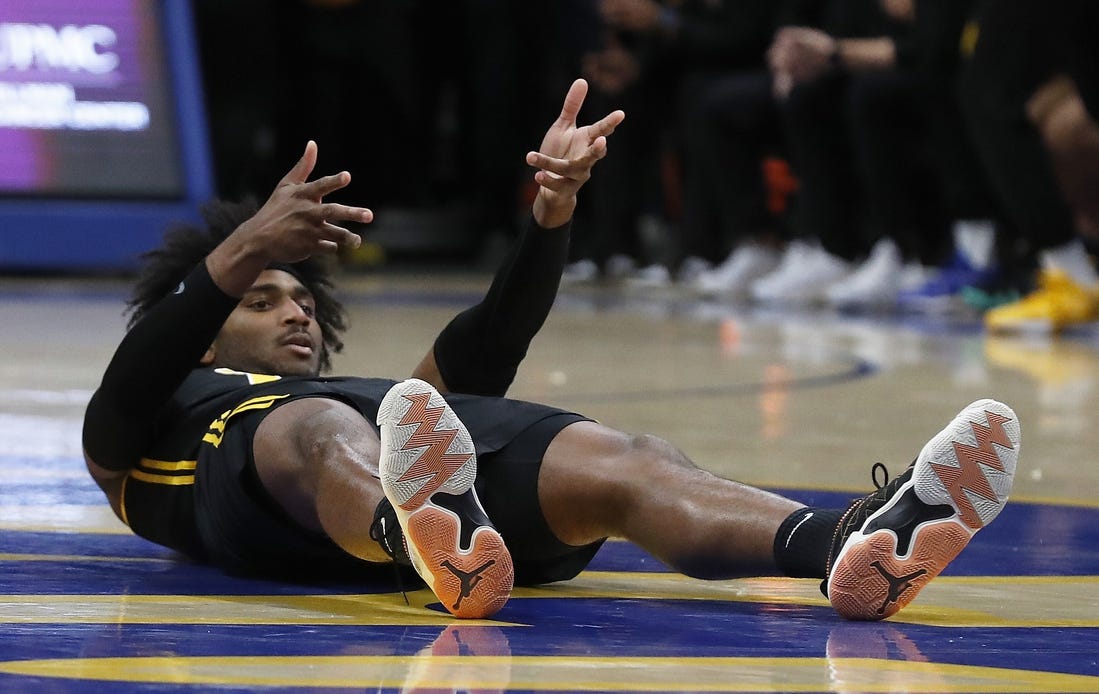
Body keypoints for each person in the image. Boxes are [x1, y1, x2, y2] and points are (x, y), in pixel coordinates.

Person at [82, 78, 1019, 621]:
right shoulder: (153, 424)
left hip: (430, 495)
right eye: (258, 298)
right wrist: (242, 246)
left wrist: (551, 217)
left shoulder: (393, 412)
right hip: (289, 504)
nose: (293, 313)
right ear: (202, 322)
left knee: (626, 463)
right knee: (316, 425)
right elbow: (136, 373)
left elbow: (489, 344)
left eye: (301, 297)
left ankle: (852, 548)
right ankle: (421, 541)